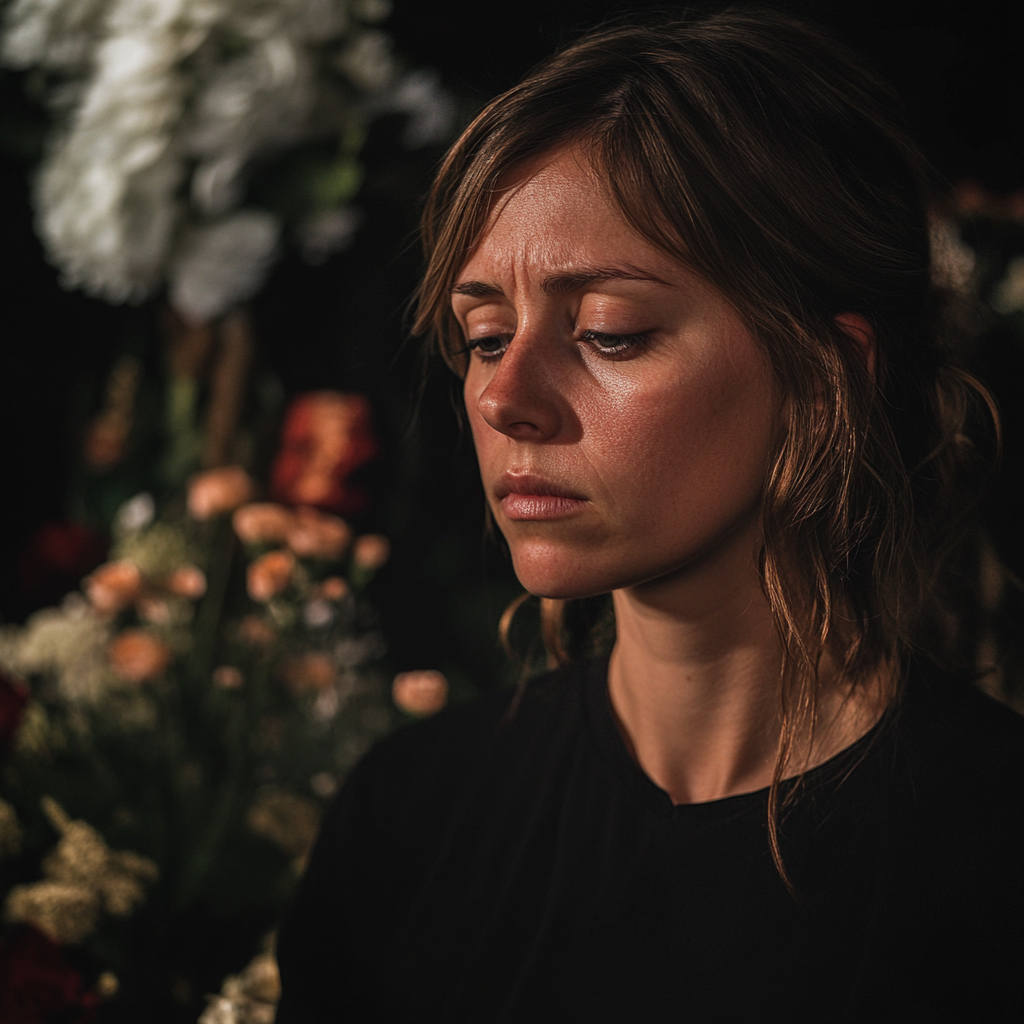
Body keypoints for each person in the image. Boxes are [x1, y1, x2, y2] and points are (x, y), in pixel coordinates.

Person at [275, 9, 1024, 1022]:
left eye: (608, 332)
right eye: (486, 334)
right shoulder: (409, 816)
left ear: (826, 375)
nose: (504, 398)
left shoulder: (989, 849)